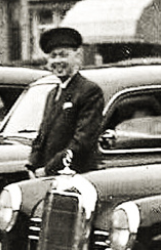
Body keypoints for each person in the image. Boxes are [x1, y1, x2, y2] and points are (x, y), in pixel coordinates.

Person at [27, 27, 104, 175]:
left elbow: (82, 141)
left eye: (63, 55)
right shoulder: (52, 94)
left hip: (73, 175)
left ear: (77, 56)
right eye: (53, 56)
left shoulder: (89, 91)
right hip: (48, 175)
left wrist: (48, 169)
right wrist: (32, 164)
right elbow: (42, 135)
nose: (57, 61)